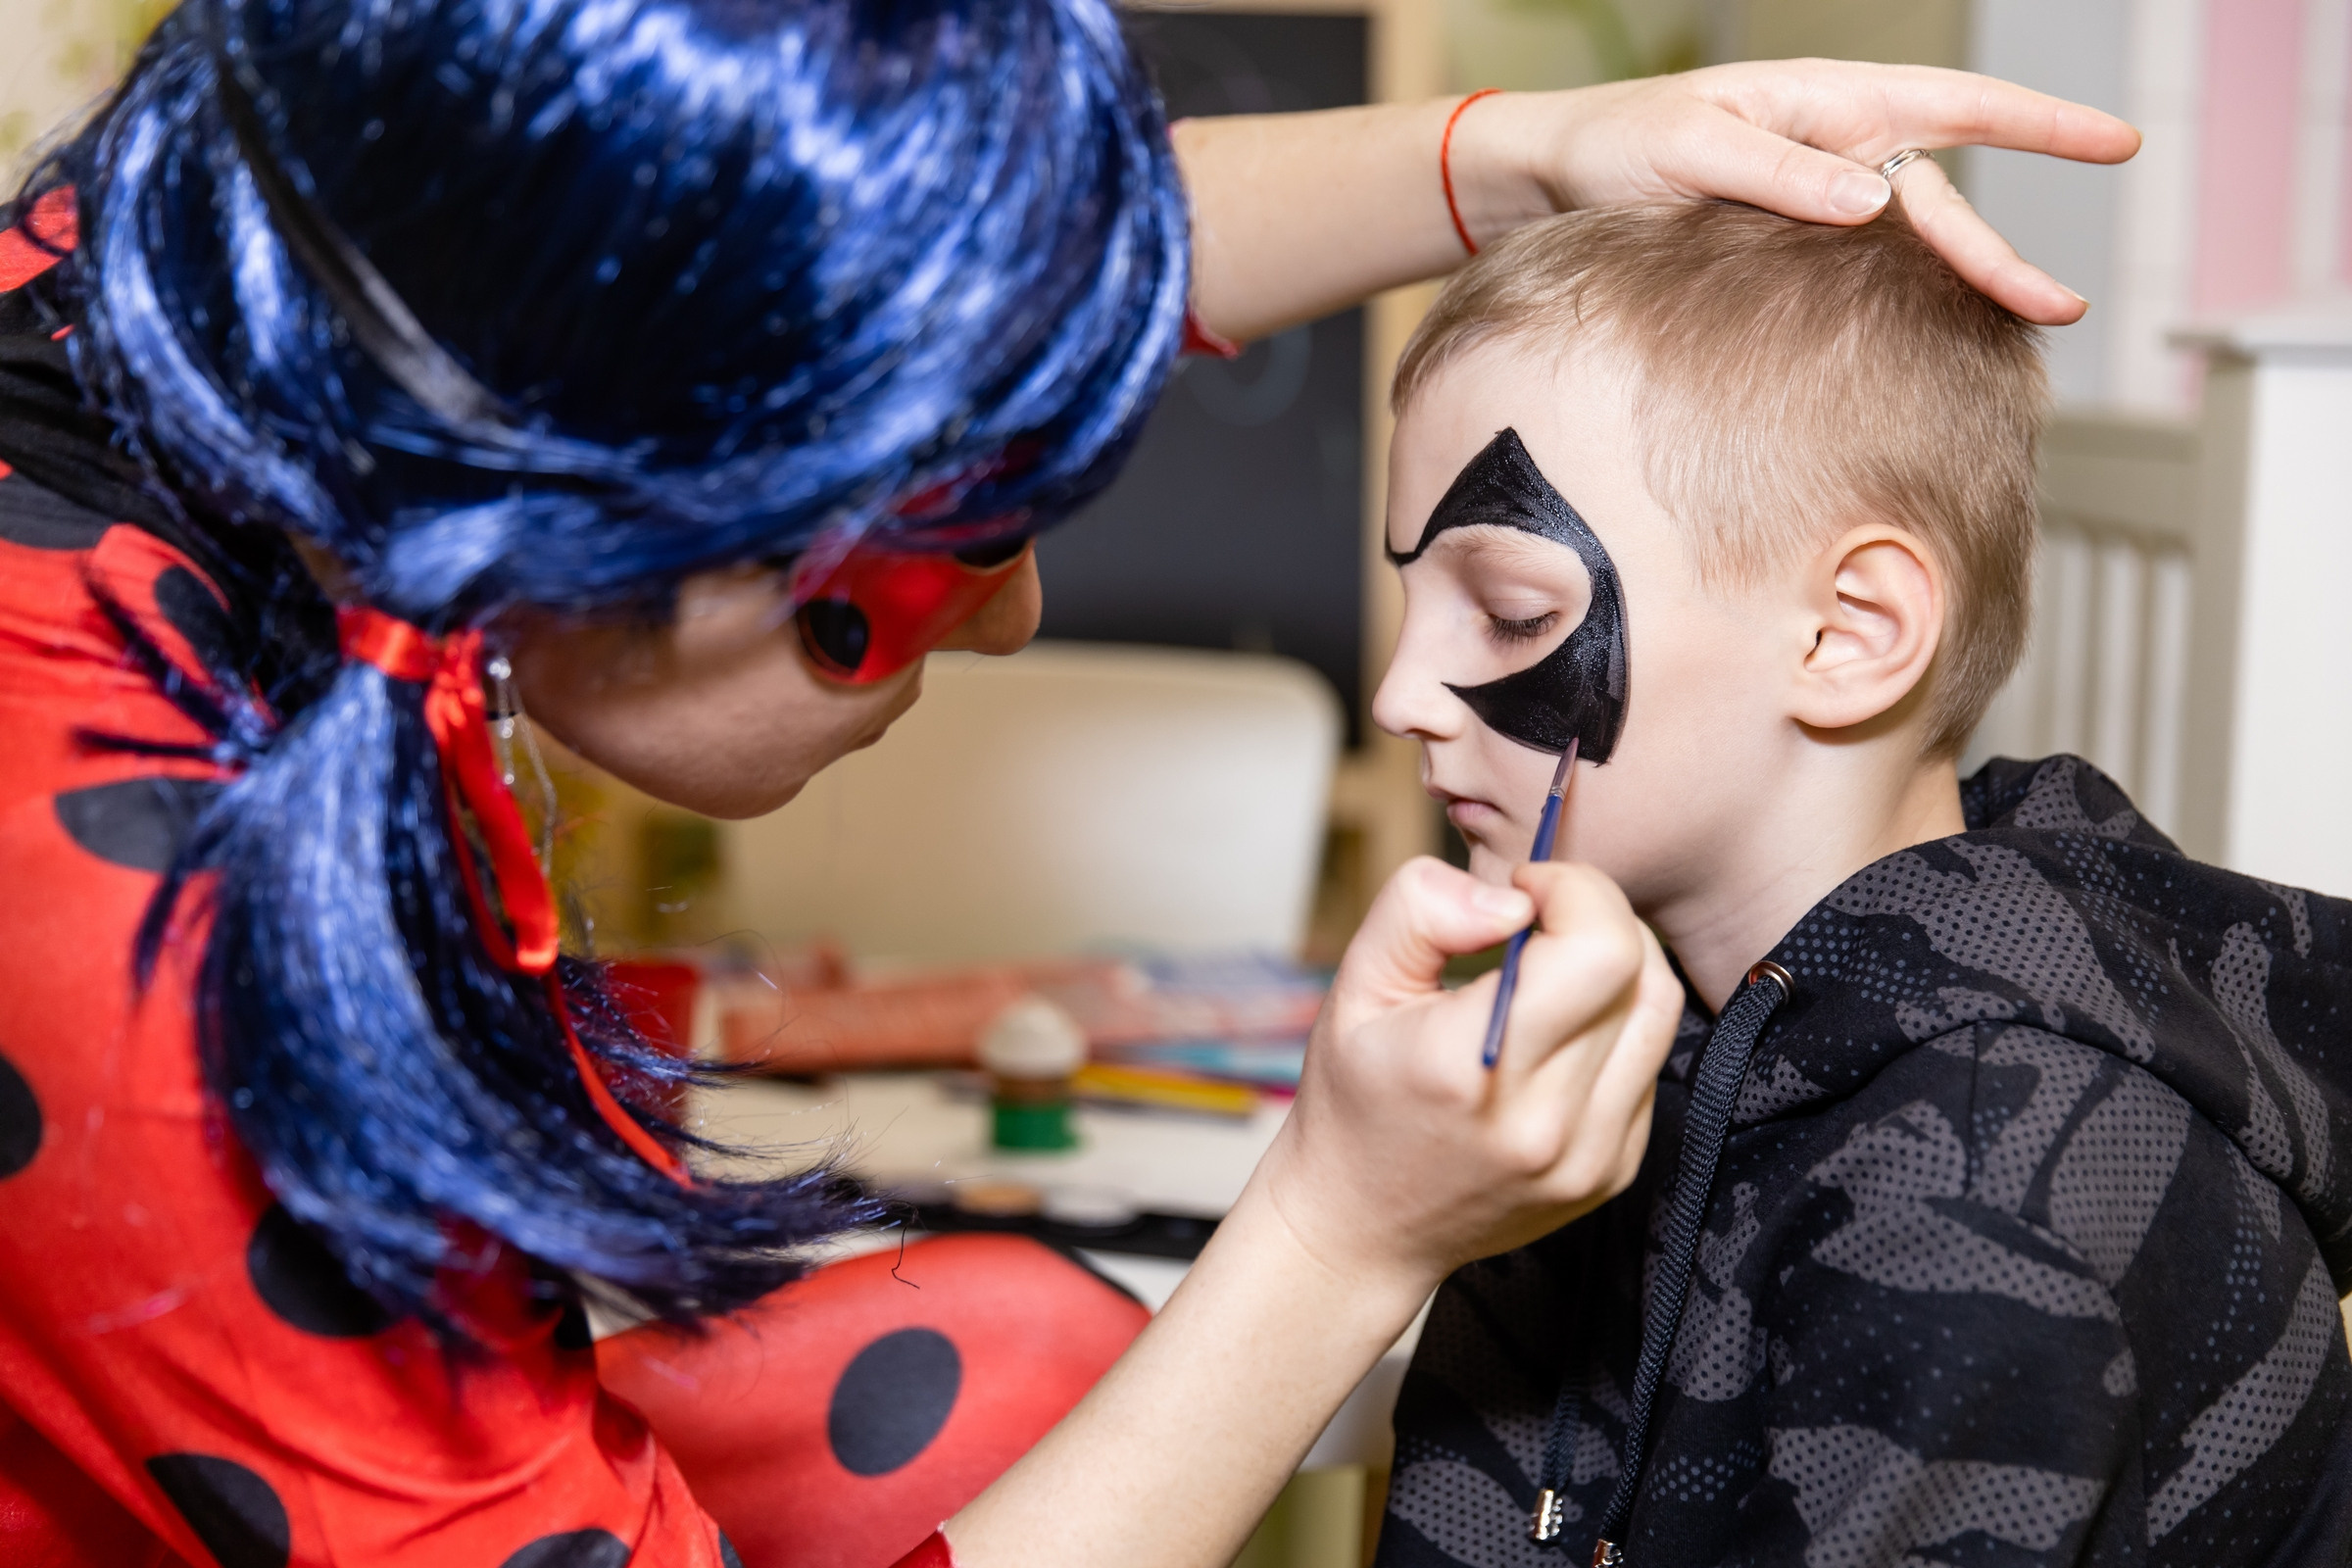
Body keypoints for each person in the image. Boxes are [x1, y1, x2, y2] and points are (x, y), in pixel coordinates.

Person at [0, 1, 2143, 1564]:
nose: (1014, 615)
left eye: (1503, 608)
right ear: (624, 499)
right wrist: (1333, 1229)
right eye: (949, 527)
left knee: (1026, 1336)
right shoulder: (126, 910)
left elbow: (868, 279)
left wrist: (1511, 154)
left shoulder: (265, 252)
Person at [1367, 198, 2352, 1568]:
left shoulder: (1980, 1193)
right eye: (1414, 605)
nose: (1401, 692)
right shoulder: (1641, 1034)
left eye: (1515, 612)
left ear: (1849, 635)